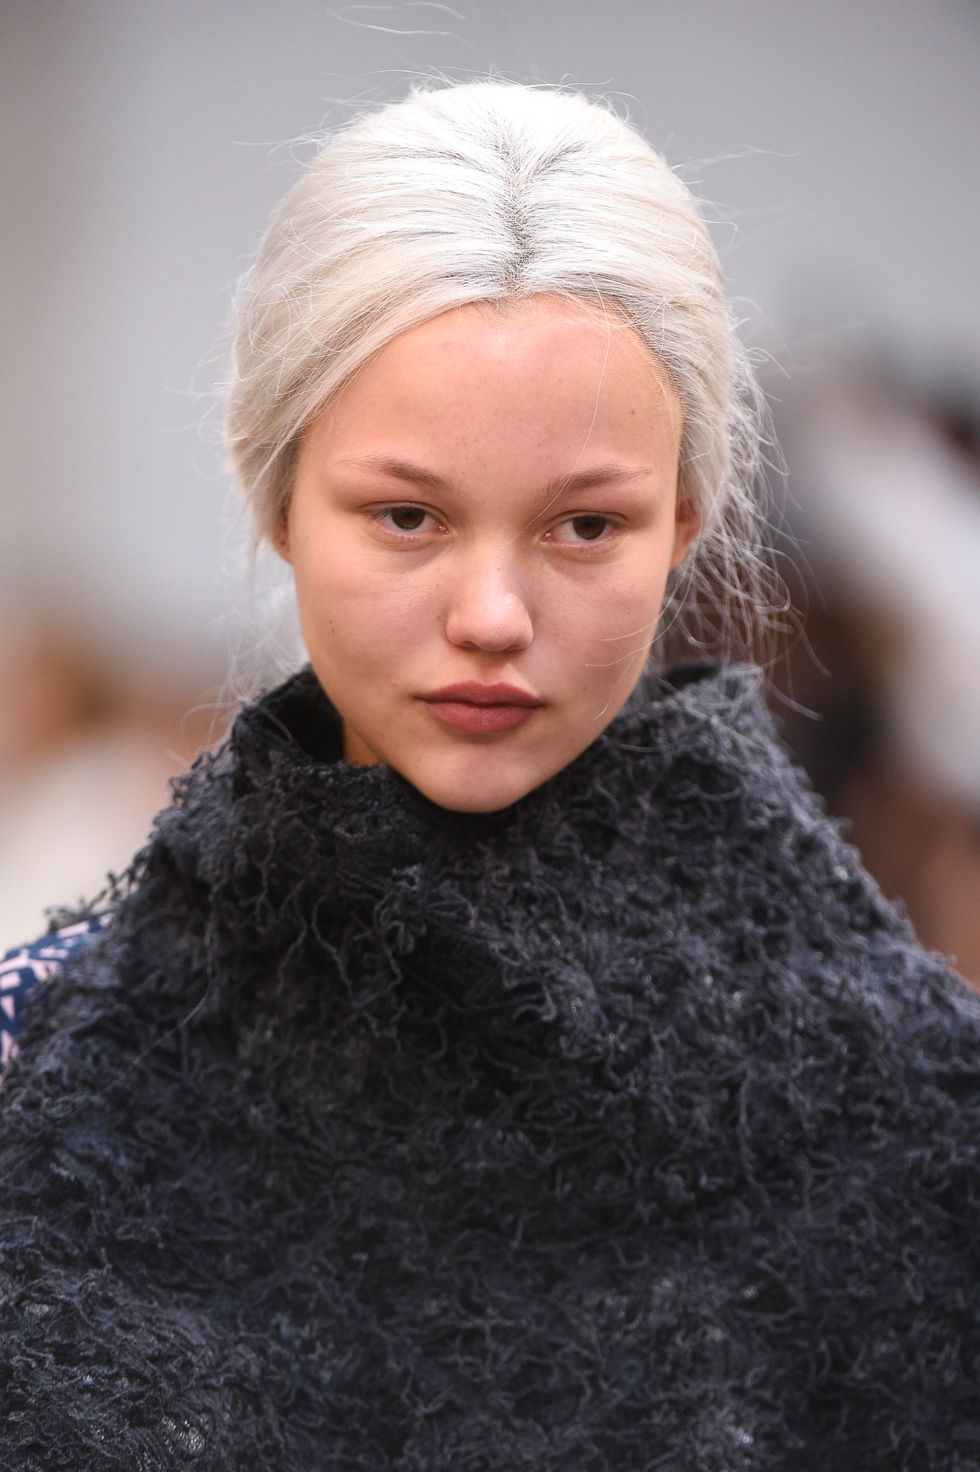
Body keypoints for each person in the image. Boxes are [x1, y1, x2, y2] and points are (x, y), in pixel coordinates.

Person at [1, 81, 978, 1471]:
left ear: (684, 520)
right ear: (277, 495)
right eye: (408, 516)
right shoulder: (36, 1071)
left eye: (585, 527)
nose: (494, 616)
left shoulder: (916, 1108)